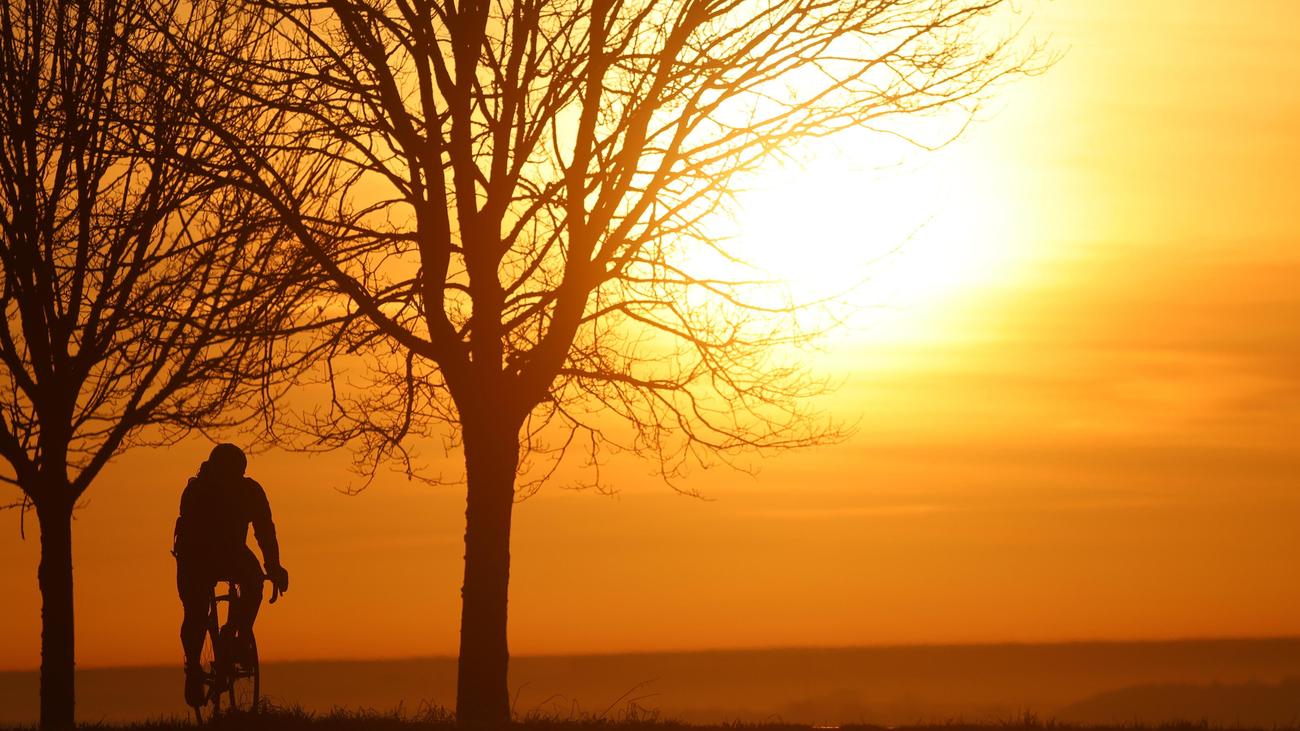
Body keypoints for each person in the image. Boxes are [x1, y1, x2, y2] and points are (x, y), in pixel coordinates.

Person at [173, 443, 290, 707]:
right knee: (196, 612)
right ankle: (196, 666)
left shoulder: (245, 491)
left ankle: (235, 635)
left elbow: (265, 530)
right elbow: (264, 531)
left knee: (252, 582)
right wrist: (273, 567)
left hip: (223, 554)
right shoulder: (201, 490)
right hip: (197, 556)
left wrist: (273, 566)